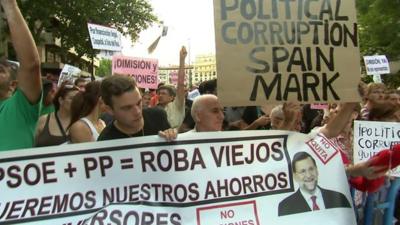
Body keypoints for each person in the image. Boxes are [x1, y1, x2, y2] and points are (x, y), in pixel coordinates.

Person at [0, 0, 42, 151]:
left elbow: (31, 65)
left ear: (13, 84)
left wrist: (10, 5)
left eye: (0, 70)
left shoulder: (20, 108)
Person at [98, 75, 176, 141]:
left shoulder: (158, 116)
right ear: (110, 110)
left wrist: (171, 136)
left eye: (139, 103)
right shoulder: (105, 141)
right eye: (127, 108)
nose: (138, 111)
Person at [278, 152, 351, 216]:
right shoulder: (285, 207)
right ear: (295, 176)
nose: (309, 175)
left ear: (316, 170)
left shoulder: (339, 198)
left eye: (311, 169)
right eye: (302, 171)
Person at [157, 47, 187, 128]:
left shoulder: (177, 106)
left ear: (172, 97)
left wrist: (182, 60)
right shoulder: (155, 110)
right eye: (159, 93)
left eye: (163, 93)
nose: (160, 95)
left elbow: (180, 84)